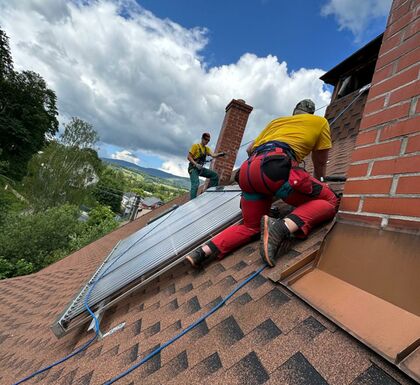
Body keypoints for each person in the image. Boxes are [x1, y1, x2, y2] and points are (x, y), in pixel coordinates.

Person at [186, 99, 339, 268]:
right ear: (311, 114)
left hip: (247, 172)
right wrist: (320, 182)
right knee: (330, 200)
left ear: (295, 112)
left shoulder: (277, 122)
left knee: (250, 226)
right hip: (275, 170)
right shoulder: (320, 122)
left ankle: (203, 252)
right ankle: (280, 228)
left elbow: (249, 149)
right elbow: (320, 162)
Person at [187, 132, 225, 199]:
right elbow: (189, 157)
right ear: (202, 138)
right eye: (205, 139)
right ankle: (191, 201)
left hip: (200, 169)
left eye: (208, 140)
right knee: (196, 184)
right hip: (193, 168)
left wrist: (221, 154)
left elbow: (213, 155)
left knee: (214, 175)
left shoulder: (206, 149)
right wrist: (196, 164)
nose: (206, 141)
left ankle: (209, 194)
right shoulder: (195, 146)